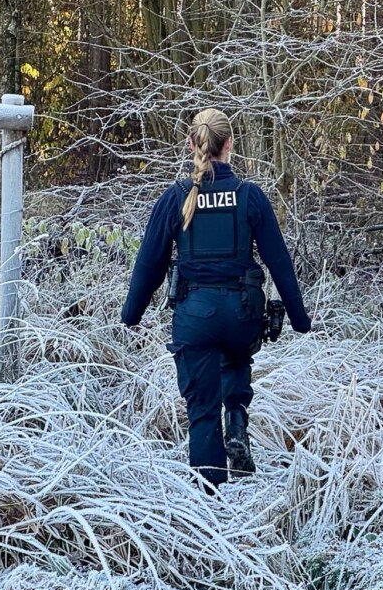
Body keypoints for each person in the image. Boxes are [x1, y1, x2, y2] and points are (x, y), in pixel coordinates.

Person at [121, 108, 311, 491]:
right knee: (236, 352)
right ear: (230, 145)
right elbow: (279, 261)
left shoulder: (176, 198)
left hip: (195, 318)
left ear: (191, 144)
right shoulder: (250, 196)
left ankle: (211, 499)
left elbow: (149, 264)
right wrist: (299, 318)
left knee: (202, 410)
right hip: (243, 314)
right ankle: (237, 415)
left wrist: (131, 314)